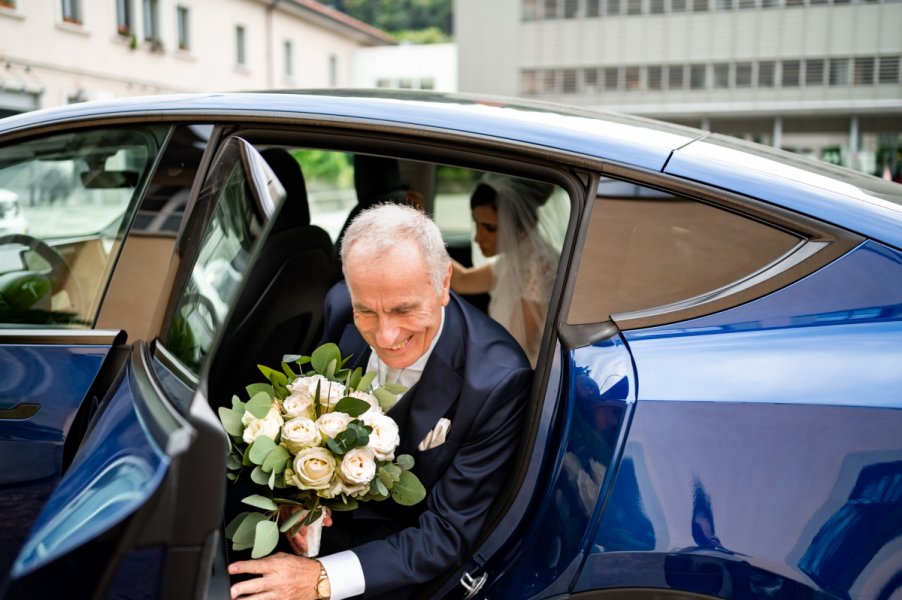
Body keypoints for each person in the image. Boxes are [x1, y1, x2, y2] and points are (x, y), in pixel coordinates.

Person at [228, 203, 533, 599]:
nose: (386, 336)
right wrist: (297, 499)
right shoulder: (339, 306)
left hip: (397, 556)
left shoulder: (497, 381)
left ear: (443, 283)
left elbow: (447, 533)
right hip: (325, 523)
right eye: (366, 311)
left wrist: (319, 579)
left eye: (404, 309)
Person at [450, 173, 561, 366]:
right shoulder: (514, 258)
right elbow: (462, 281)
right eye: (477, 223)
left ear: (519, 227)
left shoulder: (540, 266)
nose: (478, 238)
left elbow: (515, 347)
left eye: (490, 228)